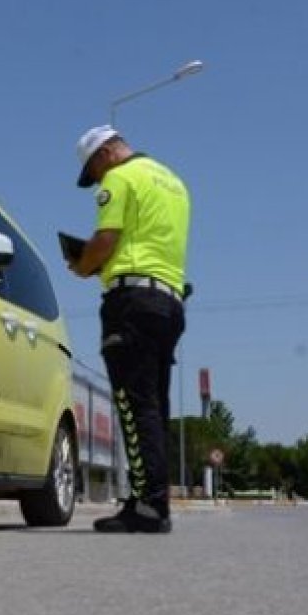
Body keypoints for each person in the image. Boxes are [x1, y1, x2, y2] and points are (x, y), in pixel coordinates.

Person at [68, 124, 190, 534]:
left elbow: (106, 240)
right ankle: (156, 504)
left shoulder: (120, 178)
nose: (97, 182)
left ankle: (146, 506)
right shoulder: (174, 182)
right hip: (170, 301)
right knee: (154, 405)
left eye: (94, 172)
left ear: (104, 154)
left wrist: (83, 265)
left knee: (133, 404)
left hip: (131, 302)